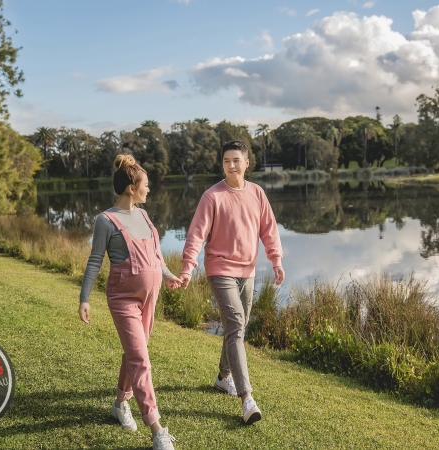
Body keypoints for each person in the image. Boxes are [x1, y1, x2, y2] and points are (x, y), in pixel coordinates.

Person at [178, 140, 285, 425]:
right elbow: (196, 235)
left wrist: (276, 260)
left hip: (247, 271)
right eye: (226, 161)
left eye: (236, 160)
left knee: (237, 326)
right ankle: (247, 399)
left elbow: (269, 229)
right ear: (222, 163)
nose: (232, 165)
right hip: (220, 269)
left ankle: (224, 376)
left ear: (247, 163)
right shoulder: (211, 197)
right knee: (236, 324)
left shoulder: (257, 193)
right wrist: (188, 267)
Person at [79, 154, 180, 450]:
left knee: (134, 353)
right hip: (123, 299)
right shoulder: (105, 220)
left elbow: (157, 258)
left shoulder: (145, 216)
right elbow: (95, 261)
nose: (149, 190)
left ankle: (119, 404)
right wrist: (84, 298)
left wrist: (169, 275)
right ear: (130, 188)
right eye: (146, 185)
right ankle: (157, 429)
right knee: (140, 358)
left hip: (151, 297)